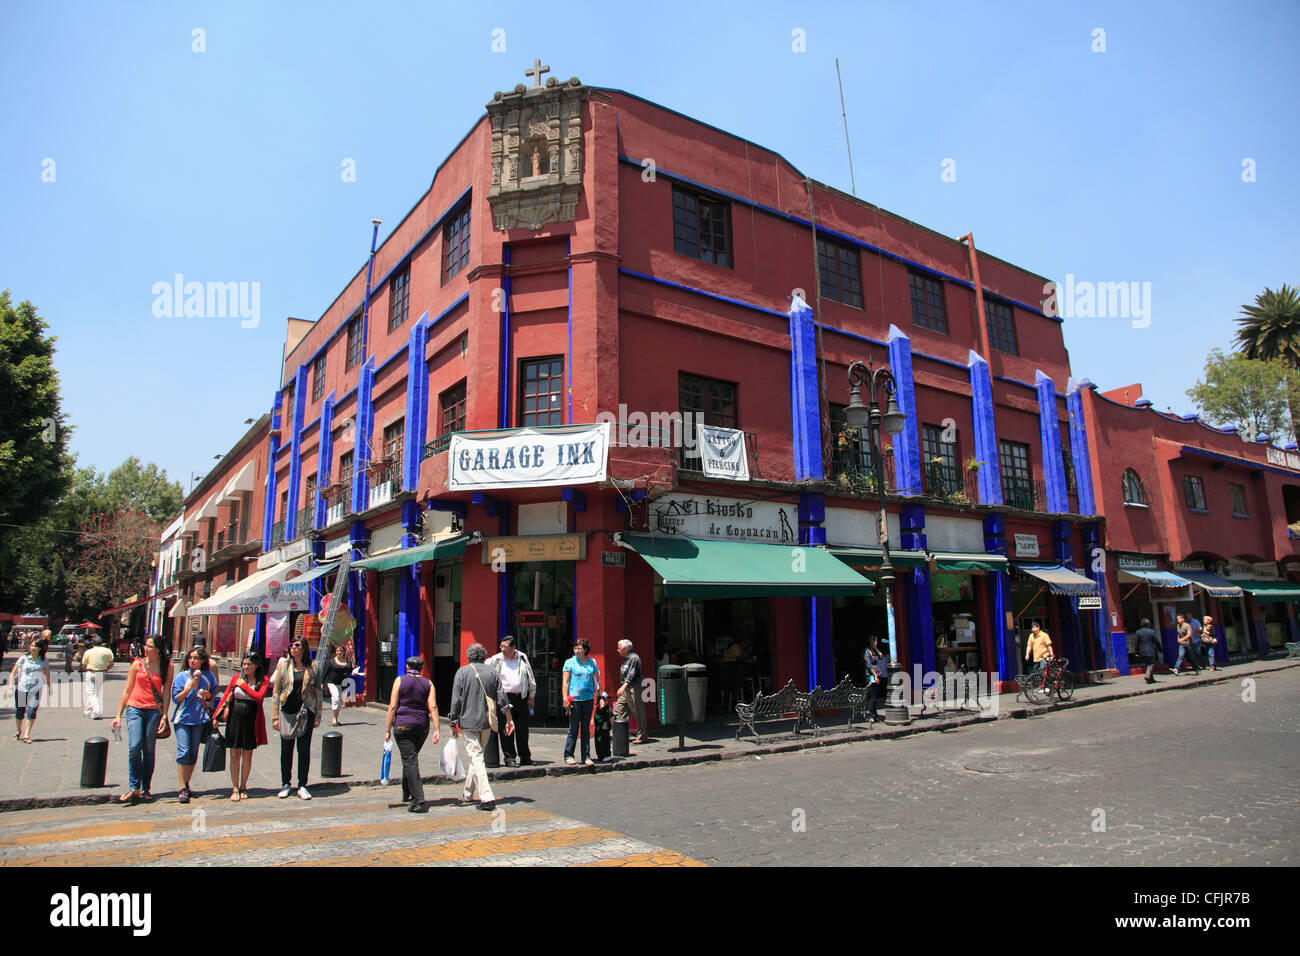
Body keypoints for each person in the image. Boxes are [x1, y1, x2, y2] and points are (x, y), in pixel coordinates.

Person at [447, 642, 514, 811]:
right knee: (477, 756)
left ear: (469, 655)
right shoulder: (492, 672)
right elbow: (501, 696)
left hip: (468, 721)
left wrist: (453, 721)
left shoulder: (462, 672)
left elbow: (456, 700)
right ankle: (468, 793)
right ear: (483, 655)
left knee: (476, 757)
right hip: (487, 721)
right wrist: (508, 718)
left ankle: (487, 796)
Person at [110, 635, 173, 803]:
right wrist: (118, 714)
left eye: (150, 646)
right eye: (145, 645)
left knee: (149, 749)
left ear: (159, 649)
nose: (146, 648)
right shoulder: (137, 664)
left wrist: (165, 715)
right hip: (134, 708)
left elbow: (166, 692)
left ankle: (146, 787)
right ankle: (134, 786)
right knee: (135, 746)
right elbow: (127, 690)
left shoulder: (167, 666)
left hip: (153, 711)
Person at [212, 654, 272, 801]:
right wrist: (215, 716)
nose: (245, 667)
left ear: (256, 665)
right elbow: (226, 695)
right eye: (244, 664)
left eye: (249, 664)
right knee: (234, 753)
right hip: (235, 718)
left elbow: (259, 698)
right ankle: (235, 787)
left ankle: (244, 785)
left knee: (247, 754)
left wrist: (243, 686)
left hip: (251, 719)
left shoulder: (263, 680)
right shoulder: (235, 678)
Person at [385, 656, 440, 812]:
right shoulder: (428, 683)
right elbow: (433, 707)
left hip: (403, 725)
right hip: (422, 726)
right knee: (410, 756)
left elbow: (392, 706)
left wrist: (387, 729)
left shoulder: (399, 680)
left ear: (407, 667)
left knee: (410, 760)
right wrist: (437, 729)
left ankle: (418, 800)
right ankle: (406, 792)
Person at [270, 638, 321, 799]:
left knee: (304, 750)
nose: (293, 648)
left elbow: (318, 691)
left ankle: (302, 785)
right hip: (287, 712)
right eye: (291, 645)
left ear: (304, 648)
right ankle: (286, 783)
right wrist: (274, 716)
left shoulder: (312, 667)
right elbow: (276, 691)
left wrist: (318, 714)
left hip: (306, 711)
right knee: (286, 750)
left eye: (296, 645)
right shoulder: (284, 666)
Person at [171, 646, 219, 804]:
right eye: (190, 658)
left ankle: (186, 783)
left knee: (193, 753)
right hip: (182, 718)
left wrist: (207, 694)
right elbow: (176, 698)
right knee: (183, 751)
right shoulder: (181, 676)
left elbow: (213, 696)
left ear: (203, 661)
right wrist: (188, 688)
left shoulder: (209, 676)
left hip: (199, 718)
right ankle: (181, 787)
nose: (192, 660)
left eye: (196, 658)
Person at [487, 636, 536, 766]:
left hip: (521, 696)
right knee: (506, 728)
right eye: (501, 646)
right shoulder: (496, 659)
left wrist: (532, 695)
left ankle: (525, 756)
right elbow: (485, 669)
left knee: (522, 728)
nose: (502, 649)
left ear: (513, 647)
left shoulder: (522, 657)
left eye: (505, 646)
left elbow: (530, 676)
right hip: (504, 697)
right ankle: (509, 758)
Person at [561, 638, 602, 766]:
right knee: (573, 728)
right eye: (576, 648)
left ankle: (586, 756)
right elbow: (565, 682)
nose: (577, 650)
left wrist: (601, 697)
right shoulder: (570, 663)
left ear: (585, 650)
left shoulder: (592, 662)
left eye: (580, 648)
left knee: (585, 729)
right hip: (575, 700)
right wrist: (565, 698)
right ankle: (569, 754)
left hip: (588, 699)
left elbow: (597, 680)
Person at [10, 638, 51, 744]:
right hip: (21, 688)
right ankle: (18, 731)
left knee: (32, 711)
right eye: (32, 645)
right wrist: (10, 687)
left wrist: (49, 686)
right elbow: (12, 673)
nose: (33, 648)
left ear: (40, 649)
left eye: (35, 646)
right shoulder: (23, 659)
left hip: (35, 689)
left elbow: (47, 674)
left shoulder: (44, 661)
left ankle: (26, 734)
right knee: (20, 711)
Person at [614, 638, 648, 745]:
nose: (617, 650)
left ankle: (642, 735)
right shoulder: (625, 659)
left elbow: (631, 674)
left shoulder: (634, 658)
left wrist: (623, 686)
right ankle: (618, 733)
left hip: (633, 688)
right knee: (619, 710)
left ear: (625, 649)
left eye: (619, 648)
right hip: (626, 689)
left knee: (638, 711)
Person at [80, 635, 115, 719]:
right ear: (102, 643)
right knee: (95, 693)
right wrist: (106, 669)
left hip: (91, 671)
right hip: (102, 672)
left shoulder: (89, 652)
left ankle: (97, 711)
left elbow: (84, 664)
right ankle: (87, 711)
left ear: (93, 644)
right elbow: (111, 663)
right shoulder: (108, 651)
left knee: (92, 693)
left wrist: (86, 670)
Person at [320, 643, 352, 726]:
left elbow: (350, 670)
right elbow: (325, 672)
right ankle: (334, 719)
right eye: (337, 651)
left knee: (340, 701)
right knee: (336, 697)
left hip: (342, 684)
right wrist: (321, 683)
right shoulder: (331, 662)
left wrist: (353, 672)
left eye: (341, 651)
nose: (339, 652)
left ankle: (336, 718)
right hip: (332, 683)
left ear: (344, 652)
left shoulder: (348, 661)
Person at [863, 634, 888, 723]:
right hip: (871, 676)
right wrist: (875, 676)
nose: (877, 643)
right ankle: (871, 715)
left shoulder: (873, 651)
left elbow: (881, 655)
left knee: (874, 696)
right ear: (871, 642)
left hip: (877, 674)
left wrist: (876, 648)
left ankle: (874, 714)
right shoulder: (867, 652)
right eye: (875, 641)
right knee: (872, 696)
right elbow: (869, 665)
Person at [1024, 622, 1055, 689]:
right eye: (1032, 627)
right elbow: (1029, 645)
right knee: (1038, 673)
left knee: (1043, 672)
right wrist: (1027, 654)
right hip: (1036, 658)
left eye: (1034, 627)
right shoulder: (1031, 636)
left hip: (1044, 657)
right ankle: (1042, 686)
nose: (1033, 629)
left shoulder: (1044, 635)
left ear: (1038, 628)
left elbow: (1049, 646)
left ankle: (1047, 687)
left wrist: (1051, 655)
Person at [1135, 618, 1162, 684]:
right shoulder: (1151, 632)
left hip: (1142, 652)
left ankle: (1151, 679)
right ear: (1148, 624)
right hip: (1150, 651)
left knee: (1147, 665)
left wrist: (1136, 652)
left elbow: (1136, 643)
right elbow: (1157, 642)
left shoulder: (1138, 632)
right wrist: (1160, 649)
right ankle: (1147, 676)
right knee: (1151, 664)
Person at [594, 692, 612, 762]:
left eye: (607, 700)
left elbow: (611, 717)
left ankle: (607, 754)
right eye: (605, 700)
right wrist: (601, 707)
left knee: (607, 742)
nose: (606, 702)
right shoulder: (598, 710)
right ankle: (602, 756)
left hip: (606, 729)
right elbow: (598, 720)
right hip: (600, 731)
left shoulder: (607, 709)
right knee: (601, 743)